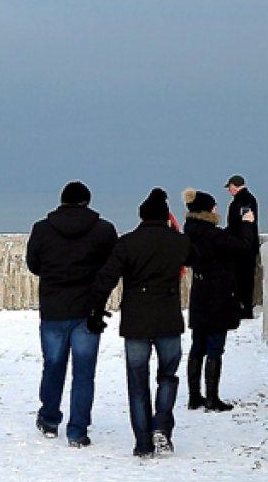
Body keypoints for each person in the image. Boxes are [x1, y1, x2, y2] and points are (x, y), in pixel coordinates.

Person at [87, 188, 196, 459]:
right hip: (168, 319)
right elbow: (198, 259)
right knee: (168, 376)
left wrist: (95, 310)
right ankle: (161, 425)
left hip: (136, 320)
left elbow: (106, 278)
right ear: (165, 217)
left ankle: (143, 443)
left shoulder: (127, 243)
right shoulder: (178, 242)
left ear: (141, 216)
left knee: (137, 382)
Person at [26, 181, 118, 447]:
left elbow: (34, 264)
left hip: (54, 308)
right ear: (87, 201)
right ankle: (77, 430)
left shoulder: (42, 229)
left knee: (53, 365)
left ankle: (50, 418)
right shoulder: (104, 230)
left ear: (62, 201)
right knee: (84, 372)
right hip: (87, 310)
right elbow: (112, 266)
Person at [182, 188, 256, 412]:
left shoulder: (191, 231)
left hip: (200, 292)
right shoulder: (212, 235)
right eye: (214, 206)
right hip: (217, 295)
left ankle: (194, 396)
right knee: (215, 346)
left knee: (197, 346)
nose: (217, 209)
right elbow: (244, 247)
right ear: (207, 210)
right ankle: (212, 398)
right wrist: (247, 224)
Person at [224, 174, 261, 318]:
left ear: (234, 186)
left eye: (229, 187)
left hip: (243, 246)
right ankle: (243, 307)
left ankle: (244, 309)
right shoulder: (246, 199)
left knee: (242, 279)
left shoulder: (244, 200)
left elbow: (244, 224)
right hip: (245, 245)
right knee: (244, 278)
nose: (229, 190)